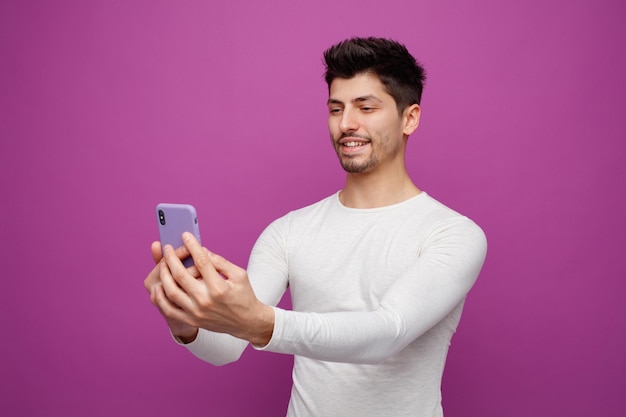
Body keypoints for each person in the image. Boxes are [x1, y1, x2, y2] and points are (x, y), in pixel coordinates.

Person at [144, 37, 487, 417]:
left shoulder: (453, 233)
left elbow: (389, 332)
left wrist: (262, 322)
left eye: (366, 107)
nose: (346, 124)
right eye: (335, 108)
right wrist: (185, 321)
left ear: (410, 118)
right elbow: (227, 347)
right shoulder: (289, 231)